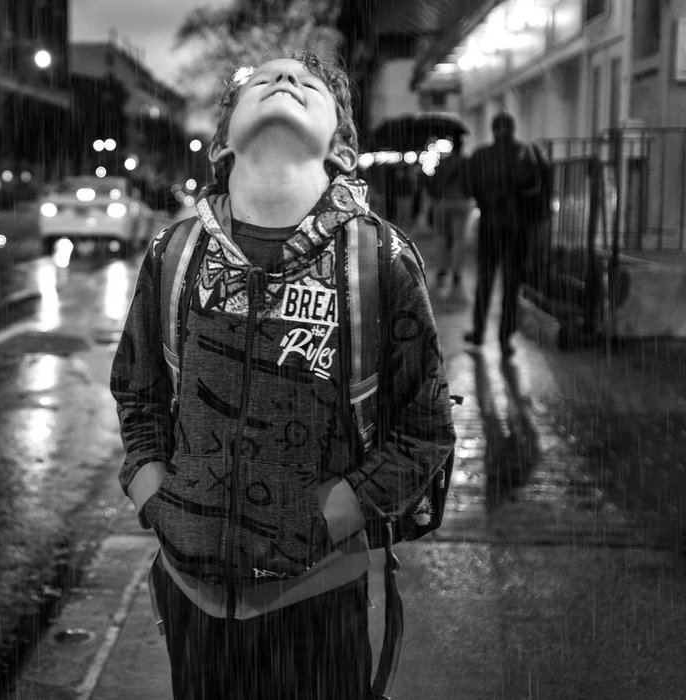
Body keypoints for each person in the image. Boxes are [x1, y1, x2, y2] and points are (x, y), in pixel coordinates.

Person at [110, 54, 457, 699]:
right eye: (261, 80)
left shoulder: (378, 262)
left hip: (318, 600)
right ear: (222, 142)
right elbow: (139, 392)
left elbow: (424, 428)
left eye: (310, 84)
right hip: (192, 599)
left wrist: (332, 515)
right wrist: (153, 493)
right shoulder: (174, 254)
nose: (285, 81)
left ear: (343, 147)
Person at [462, 112, 551, 356]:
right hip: (517, 226)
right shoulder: (525, 153)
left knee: (485, 280)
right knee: (512, 282)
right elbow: (537, 186)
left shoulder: (481, 155)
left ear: (493, 129)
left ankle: (479, 332)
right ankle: (505, 335)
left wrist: (486, 200)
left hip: (490, 224)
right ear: (513, 128)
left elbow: (469, 187)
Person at [424, 133, 473, 300]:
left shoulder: (443, 163)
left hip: (444, 203)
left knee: (441, 237)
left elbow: (432, 182)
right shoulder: (467, 163)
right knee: (460, 239)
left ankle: (442, 269)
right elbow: (472, 183)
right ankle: (457, 273)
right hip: (462, 203)